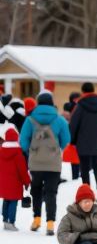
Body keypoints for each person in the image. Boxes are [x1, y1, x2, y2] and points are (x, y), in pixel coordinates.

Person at [19, 90, 70, 235]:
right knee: (51, 192)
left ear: (38, 103)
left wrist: (31, 152)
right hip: (53, 163)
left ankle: (36, 220)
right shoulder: (59, 120)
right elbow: (66, 140)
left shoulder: (30, 120)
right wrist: (56, 149)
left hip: (35, 162)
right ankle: (50, 224)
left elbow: (23, 140)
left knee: (36, 190)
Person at [68, 82, 97, 203]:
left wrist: (73, 140)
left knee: (84, 170)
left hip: (83, 143)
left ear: (83, 91)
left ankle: (87, 196)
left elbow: (73, 125)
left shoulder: (80, 107)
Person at [1, 127, 30, 231]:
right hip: (15, 183)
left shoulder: (1, 151)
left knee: (6, 200)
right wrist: (27, 182)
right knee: (13, 202)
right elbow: (23, 170)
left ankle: (5, 220)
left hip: (3, 183)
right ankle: (11, 222)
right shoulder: (18, 154)